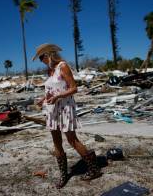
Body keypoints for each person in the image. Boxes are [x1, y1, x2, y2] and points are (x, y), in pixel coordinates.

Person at [32, 43, 102, 189]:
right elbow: (51, 91)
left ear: (49, 54)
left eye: (41, 57)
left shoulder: (62, 66)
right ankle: (63, 175)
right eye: (40, 58)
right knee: (56, 142)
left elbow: (74, 88)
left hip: (65, 108)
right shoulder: (49, 71)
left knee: (72, 140)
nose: (41, 60)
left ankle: (94, 169)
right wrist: (43, 99)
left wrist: (58, 97)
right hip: (52, 110)